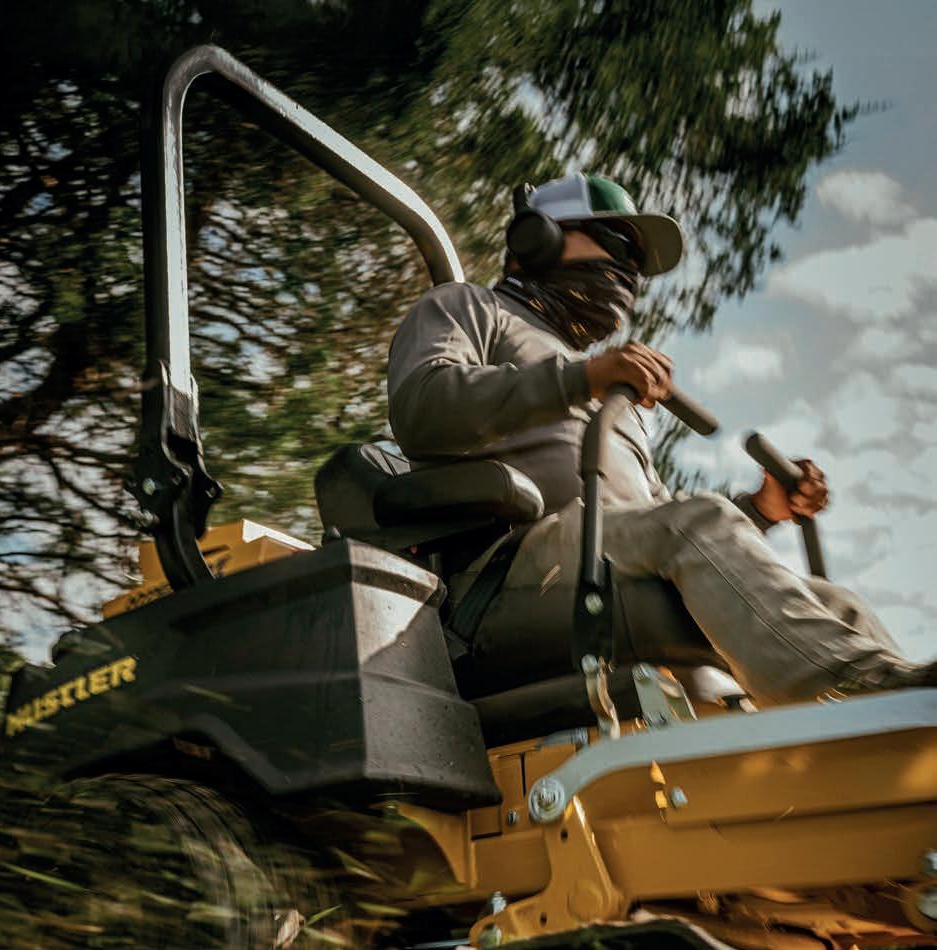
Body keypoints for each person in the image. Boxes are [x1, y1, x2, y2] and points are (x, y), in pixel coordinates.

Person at [386, 172, 933, 704]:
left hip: (603, 545)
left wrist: (761, 511)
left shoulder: (604, 387)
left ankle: (907, 717)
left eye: (635, 264)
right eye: (617, 244)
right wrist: (580, 379)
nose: (627, 271)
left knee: (837, 603)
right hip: (510, 563)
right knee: (699, 520)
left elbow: (659, 519)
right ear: (537, 238)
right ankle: (856, 694)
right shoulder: (469, 308)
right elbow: (422, 408)